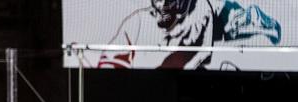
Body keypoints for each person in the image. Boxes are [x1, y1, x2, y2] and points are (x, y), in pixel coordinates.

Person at [97, 0, 281, 70]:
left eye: (164, 6)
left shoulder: (201, 12)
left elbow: (200, 55)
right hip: (174, 46)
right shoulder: (137, 21)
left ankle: (250, 18)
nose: (159, 9)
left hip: (202, 33)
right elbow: (109, 62)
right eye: (156, 6)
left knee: (229, 24)